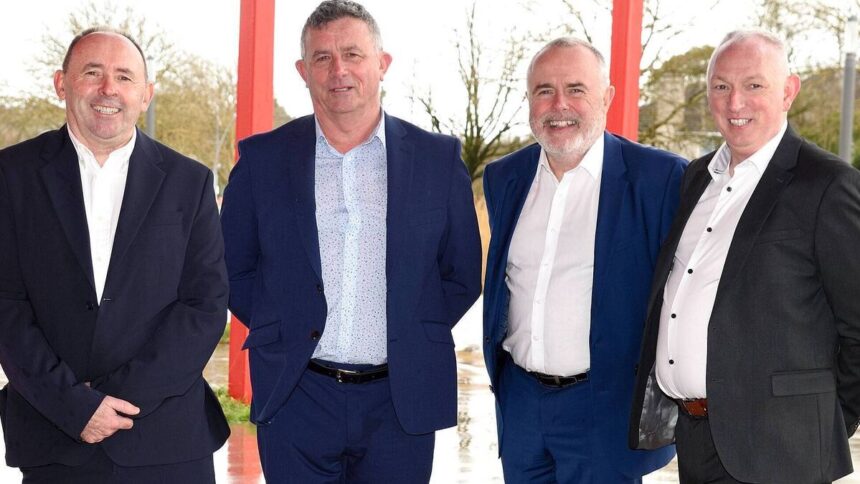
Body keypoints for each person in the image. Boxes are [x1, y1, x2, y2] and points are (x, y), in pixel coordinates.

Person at [220, 1, 482, 482]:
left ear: (382, 63)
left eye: (353, 55)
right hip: (297, 394)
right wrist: (284, 324)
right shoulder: (262, 160)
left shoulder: (437, 160)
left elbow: (461, 274)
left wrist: (408, 328)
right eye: (322, 57)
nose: (338, 70)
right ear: (303, 71)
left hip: (399, 401)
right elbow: (232, 269)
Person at [629, 30, 860, 483]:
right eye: (721, 86)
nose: (735, 102)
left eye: (754, 85)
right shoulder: (697, 178)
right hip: (695, 437)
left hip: (782, 450)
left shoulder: (827, 184)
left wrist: (820, 422)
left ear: (788, 91)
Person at [0, 28, 229, 483]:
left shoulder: (190, 182)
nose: (109, 89)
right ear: (61, 83)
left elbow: (204, 306)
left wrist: (115, 400)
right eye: (92, 73)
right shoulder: (12, 175)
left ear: (146, 94)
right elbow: (6, 304)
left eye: (124, 77)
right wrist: (75, 405)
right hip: (56, 439)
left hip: (167, 440)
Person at [482, 37, 685, 484]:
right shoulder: (504, 177)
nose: (559, 105)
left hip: (604, 407)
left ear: (607, 97)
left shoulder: (658, 178)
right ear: (529, 99)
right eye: (544, 90)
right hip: (521, 405)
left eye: (576, 89)